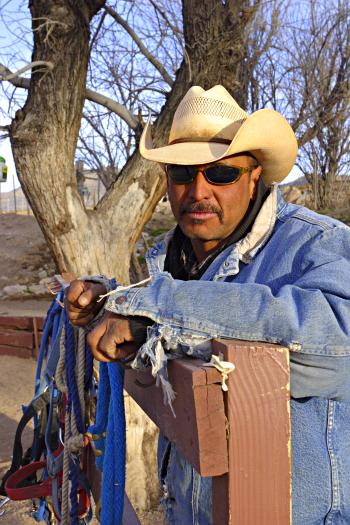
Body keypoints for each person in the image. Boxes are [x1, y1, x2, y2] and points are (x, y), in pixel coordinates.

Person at [66, 85, 350, 525]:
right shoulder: (174, 257)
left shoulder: (319, 244)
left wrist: (155, 311)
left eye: (220, 174)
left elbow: (337, 341)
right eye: (182, 173)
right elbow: (181, 310)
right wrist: (109, 300)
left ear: (255, 177)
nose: (198, 190)